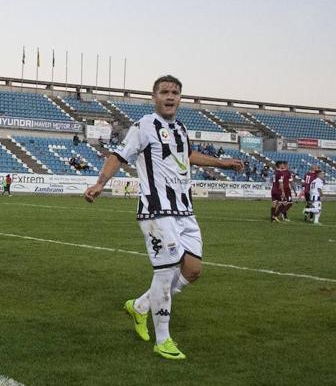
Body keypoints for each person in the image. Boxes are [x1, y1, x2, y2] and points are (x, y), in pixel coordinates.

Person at [84, 75, 242, 361]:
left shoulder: (179, 128)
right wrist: (100, 183)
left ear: (181, 98)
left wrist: (223, 163)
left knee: (192, 270)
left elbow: (188, 155)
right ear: (154, 97)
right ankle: (163, 340)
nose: (170, 97)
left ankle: (141, 306)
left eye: (175, 92)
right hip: (157, 211)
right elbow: (118, 156)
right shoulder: (144, 126)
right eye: (164, 92)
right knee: (166, 272)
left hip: (185, 211)